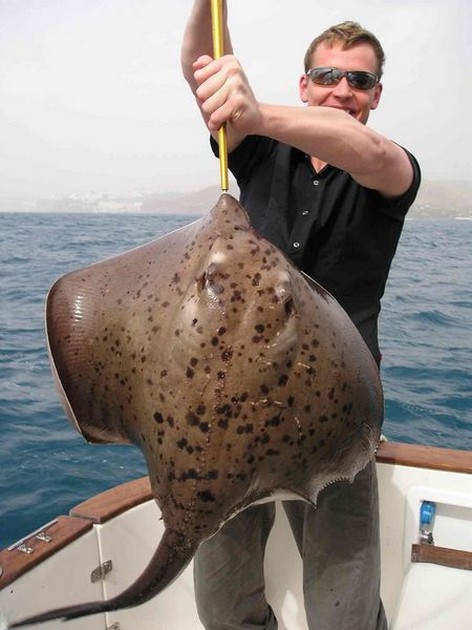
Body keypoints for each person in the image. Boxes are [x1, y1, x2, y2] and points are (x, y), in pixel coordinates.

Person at [181, 3, 421, 629]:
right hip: (231, 403)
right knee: (222, 593)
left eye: (359, 81)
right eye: (327, 76)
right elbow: (203, 67)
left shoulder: (388, 167)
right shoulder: (260, 154)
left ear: (376, 95)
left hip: (336, 411)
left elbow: (363, 150)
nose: (342, 91)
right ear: (304, 84)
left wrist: (255, 112)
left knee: (343, 591)